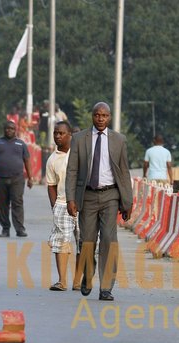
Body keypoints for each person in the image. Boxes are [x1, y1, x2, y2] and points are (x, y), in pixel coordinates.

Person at [65, 102, 133, 301]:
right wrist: (71, 198)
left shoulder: (119, 140)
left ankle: (106, 287)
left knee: (109, 241)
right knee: (87, 240)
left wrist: (127, 202)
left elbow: (124, 171)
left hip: (111, 195)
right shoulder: (79, 139)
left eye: (104, 115)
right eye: (97, 115)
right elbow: (72, 170)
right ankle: (88, 273)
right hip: (87, 195)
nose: (100, 119)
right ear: (92, 117)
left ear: (109, 117)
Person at [46, 121, 82, 292]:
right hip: (62, 204)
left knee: (84, 241)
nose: (58, 136)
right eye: (55, 133)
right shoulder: (52, 159)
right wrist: (55, 206)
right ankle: (62, 281)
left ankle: (78, 280)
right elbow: (51, 185)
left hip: (83, 203)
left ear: (70, 135)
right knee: (61, 242)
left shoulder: (80, 154)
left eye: (61, 133)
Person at [0, 120, 33, 238]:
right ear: (3, 130)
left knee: (17, 203)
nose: (8, 130)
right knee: (2, 205)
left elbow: (27, 161)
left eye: (11, 128)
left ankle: (20, 229)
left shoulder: (21, 144)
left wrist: (30, 178)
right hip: (0, 178)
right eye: (7, 128)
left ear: (15, 130)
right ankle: (5, 229)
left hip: (17, 179)